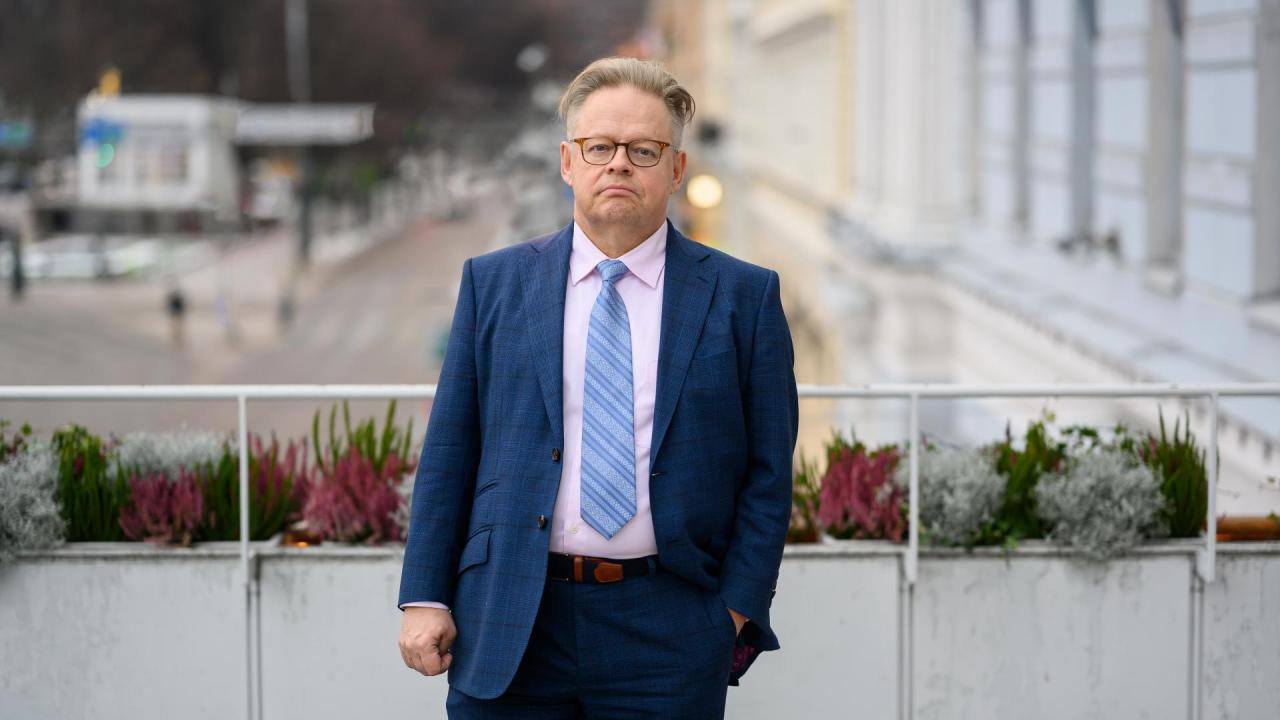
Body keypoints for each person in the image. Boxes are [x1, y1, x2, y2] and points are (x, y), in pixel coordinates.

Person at [398, 56, 798, 718]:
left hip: (670, 625)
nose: (618, 165)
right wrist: (425, 597)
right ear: (567, 161)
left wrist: (729, 614)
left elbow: (767, 474)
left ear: (675, 169)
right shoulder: (493, 284)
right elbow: (450, 448)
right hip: (510, 618)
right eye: (600, 147)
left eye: (643, 150)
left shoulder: (744, 297)